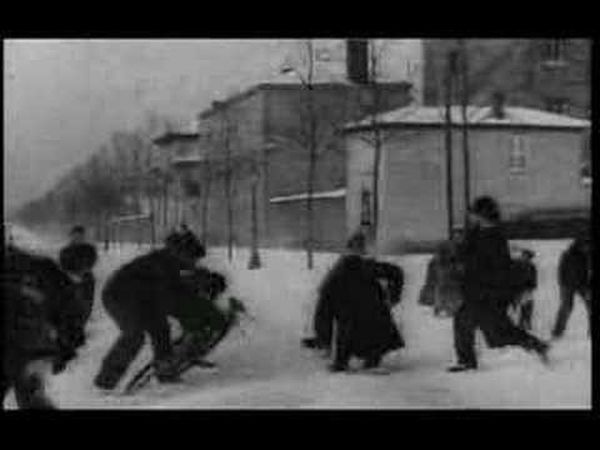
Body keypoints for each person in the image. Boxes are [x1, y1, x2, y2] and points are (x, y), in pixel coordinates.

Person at [93, 229, 237, 391]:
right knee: (135, 334)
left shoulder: (175, 262)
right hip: (119, 295)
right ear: (180, 253)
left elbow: (189, 282)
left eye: (195, 260)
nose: (194, 263)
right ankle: (105, 382)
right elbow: (177, 295)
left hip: (144, 296)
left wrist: (210, 283)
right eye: (192, 259)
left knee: (163, 323)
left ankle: (169, 363)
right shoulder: (160, 265)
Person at [448, 196, 550, 372]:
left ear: (483, 214)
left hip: (489, 293)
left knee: (498, 334)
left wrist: (502, 293)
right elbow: (464, 254)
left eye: (474, 213)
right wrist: (459, 252)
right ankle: (466, 361)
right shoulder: (475, 232)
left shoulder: (496, 237)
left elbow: (499, 268)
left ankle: (535, 344)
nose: (471, 216)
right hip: (474, 290)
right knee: (463, 322)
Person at [302, 232, 405, 372]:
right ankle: (363, 361)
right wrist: (393, 295)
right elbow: (396, 272)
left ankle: (349, 362)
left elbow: (324, 307)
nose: (357, 252)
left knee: (352, 332)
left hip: (361, 313)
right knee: (365, 333)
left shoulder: (354, 268)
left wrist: (322, 338)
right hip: (365, 313)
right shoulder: (359, 266)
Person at [3, 244, 83, 409]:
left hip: (25, 344)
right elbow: (71, 327)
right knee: (31, 393)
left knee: (30, 391)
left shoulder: (40, 267)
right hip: (29, 346)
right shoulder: (62, 284)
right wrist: (63, 353)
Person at [59, 225, 98, 343]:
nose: (78, 238)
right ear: (71, 236)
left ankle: (80, 329)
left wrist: (83, 273)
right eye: (75, 236)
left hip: (87, 281)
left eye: (80, 236)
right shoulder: (65, 251)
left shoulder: (89, 249)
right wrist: (71, 276)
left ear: (83, 237)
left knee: (86, 307)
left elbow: (91, 262)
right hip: (70, 281)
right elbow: (63, 265)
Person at [551, 233, 591, 339]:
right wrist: (563, 285)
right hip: (567, 284)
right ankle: (557, 332)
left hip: (582, 283)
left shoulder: (586, 255)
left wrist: (587, 287)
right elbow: (562, 272)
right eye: (586, 246)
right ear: (580, 245)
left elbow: (588, 271)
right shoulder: (568, 255)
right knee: (566, 307)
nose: (587, 248)